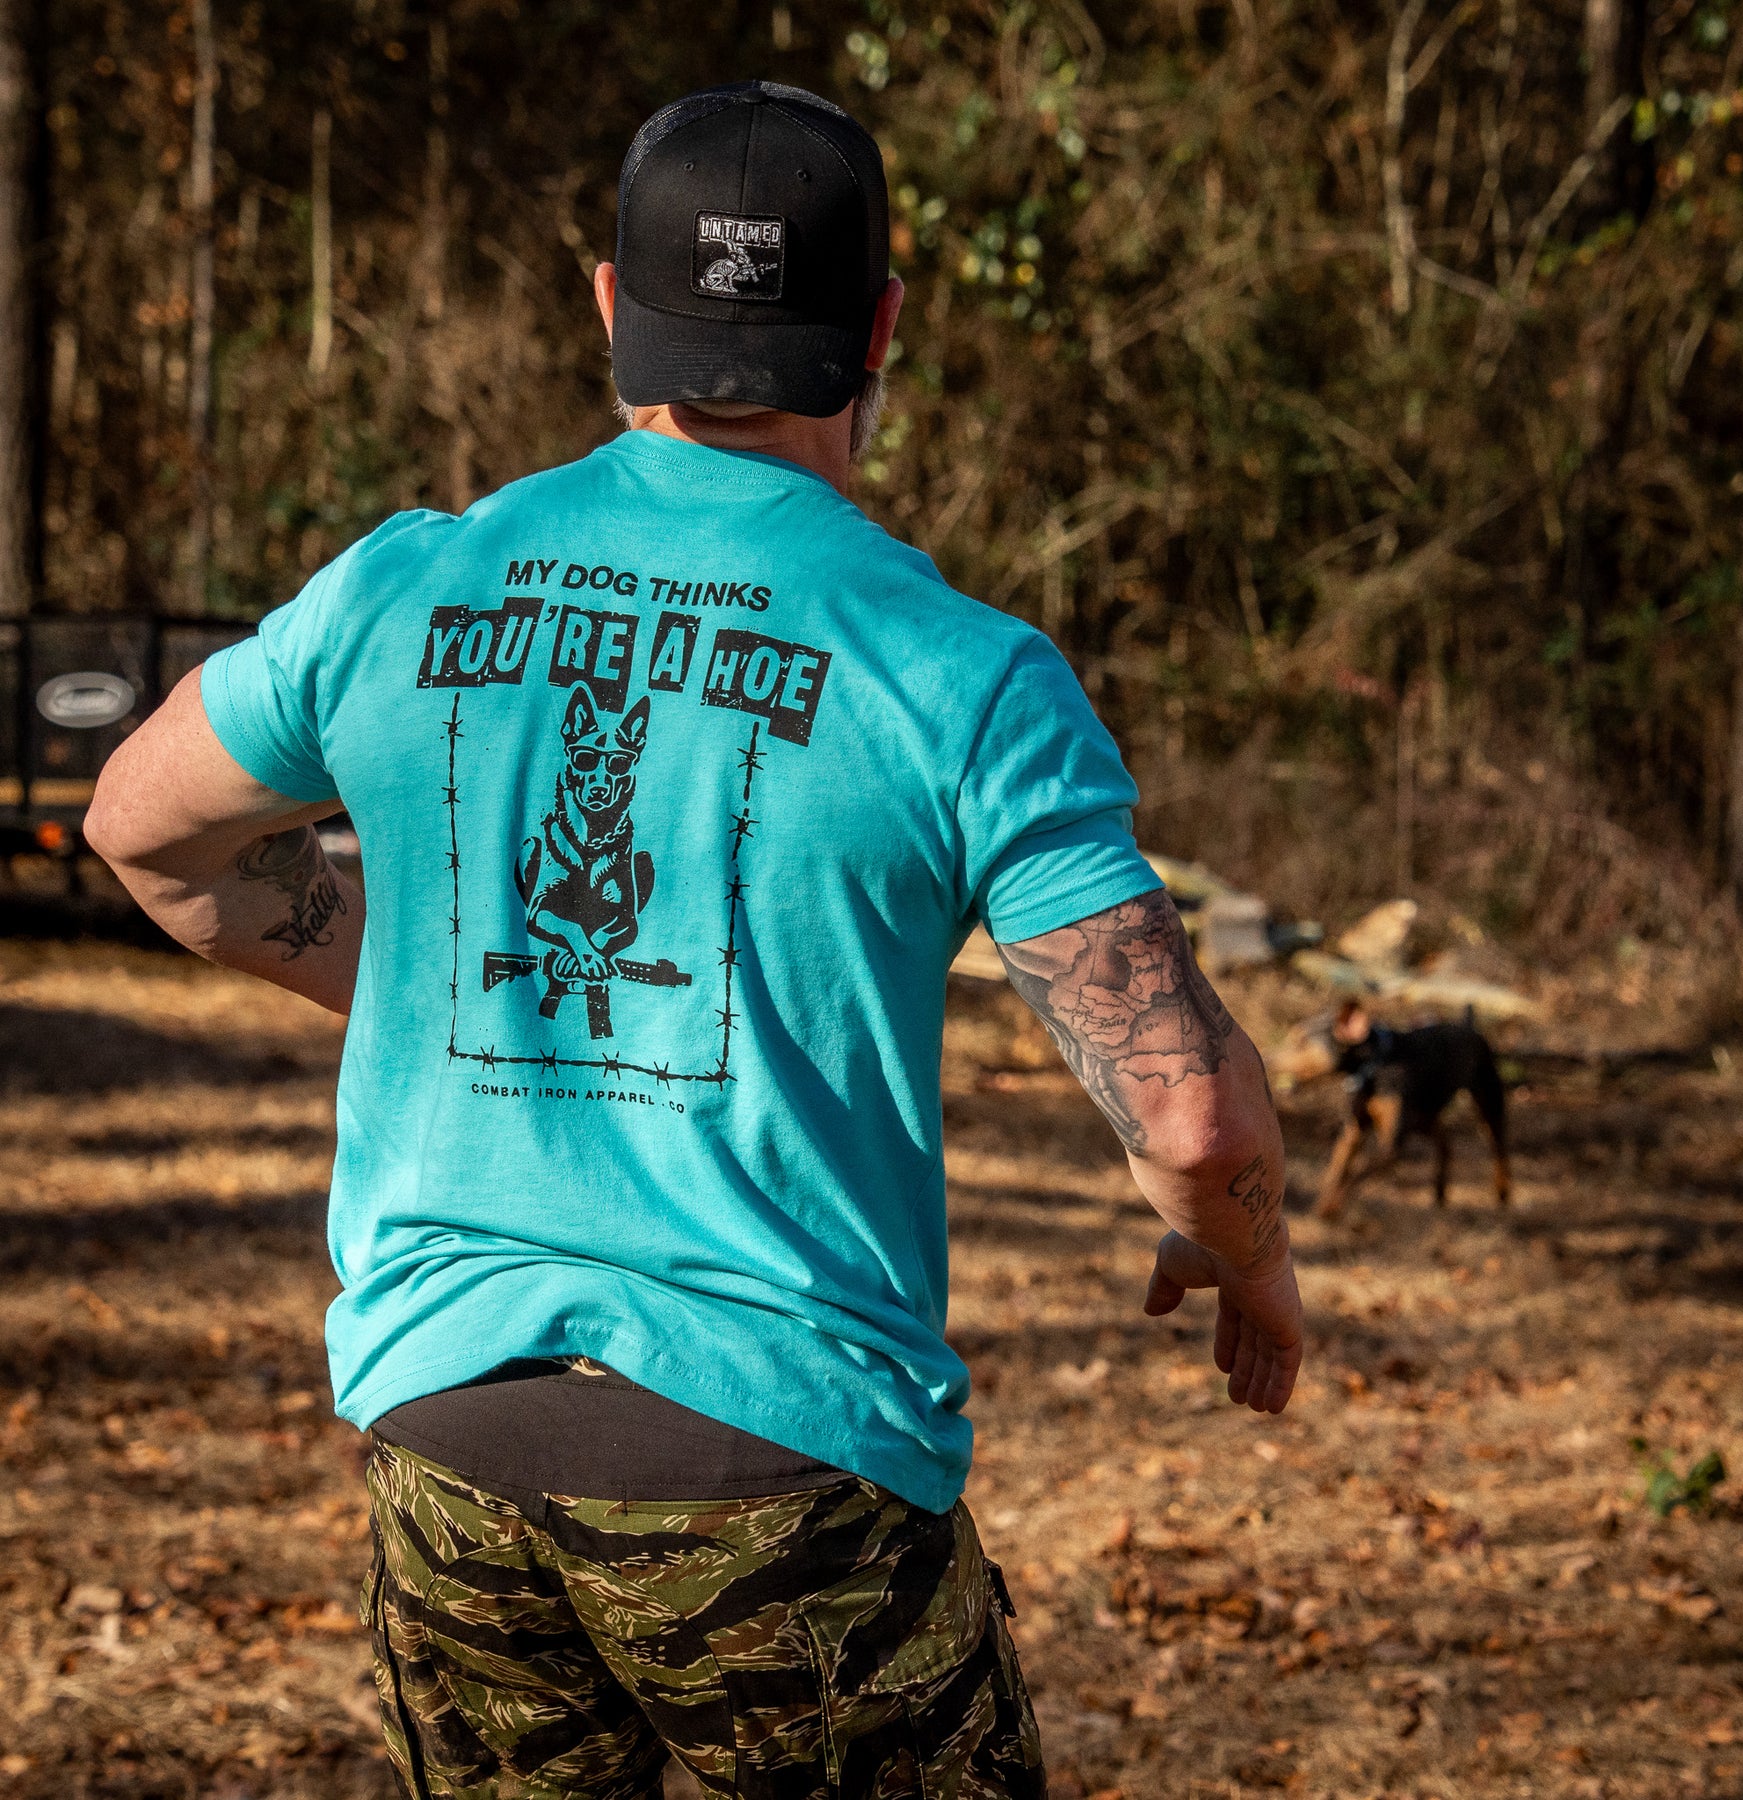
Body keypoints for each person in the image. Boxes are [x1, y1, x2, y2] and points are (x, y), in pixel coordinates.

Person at [87, 79, 1301, 1800]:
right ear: (880, 330)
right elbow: (1189, 1115)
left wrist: (433, 982)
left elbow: (142, 827)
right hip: (782, 1471)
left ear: (610, 308)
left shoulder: (403, 587)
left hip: (449, 1445)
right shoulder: (960, 674)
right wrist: (1246, 1252)